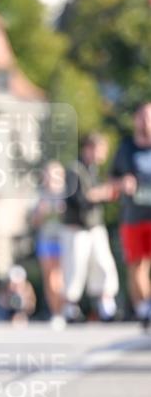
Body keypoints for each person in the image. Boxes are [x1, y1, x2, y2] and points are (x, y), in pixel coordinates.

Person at [61, 133, 119, 323]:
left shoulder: (93, 171)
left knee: (104, 264)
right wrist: (101, 193)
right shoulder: (74, 170)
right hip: (77, 228)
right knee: (75, 268)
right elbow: (78, 198)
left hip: (95, 226)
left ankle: (106, 305)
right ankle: (70, 308)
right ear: (89, 148)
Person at [111, 101, 151, 328]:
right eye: (142, 117)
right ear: (135, 120)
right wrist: (122, 183)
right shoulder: (126, 147)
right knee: (137, 265)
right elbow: (111, 180)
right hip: (133, 216)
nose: (146, 122)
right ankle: (145, 309)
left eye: (149, 117)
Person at [31, 160, 66, 327]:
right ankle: (56, 312)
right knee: (50, 277)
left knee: (63, 276)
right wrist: (41, 212)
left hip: (64, 240)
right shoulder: (40, 195)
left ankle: (66, 308)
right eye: (48, 174)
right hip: (46, 240)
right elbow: (34, 222)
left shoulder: (67, 194)